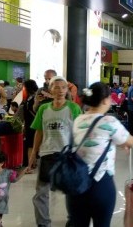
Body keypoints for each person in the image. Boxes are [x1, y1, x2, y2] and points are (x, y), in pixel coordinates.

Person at [67, 82, 133, 227]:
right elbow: (130, 141)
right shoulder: (109, 121)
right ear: (104, 100)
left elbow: (97, 138)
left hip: (76, 184)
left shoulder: (78, 120)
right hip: (100, 184)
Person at [27, 76, 82, 227]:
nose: (60, 90)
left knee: (72, 192)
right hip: (47, 155)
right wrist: (33, 155)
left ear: (67, 90)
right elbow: (39, 132)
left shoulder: (73, 108)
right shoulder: (44, 108)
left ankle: (74, 220)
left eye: (63, 87)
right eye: (56, 87)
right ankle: (43, 223)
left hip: (67, 156)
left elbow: (80, 133)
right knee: (41, 194)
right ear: (50, 89)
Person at [21, 79, 39, 167]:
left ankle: (31, 164)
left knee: (31, 144)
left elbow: (31, 111)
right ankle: (33, 163)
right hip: (31, 123)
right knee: (32, 144)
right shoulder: (32, 97)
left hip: (32, 123)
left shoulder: (33, 98)